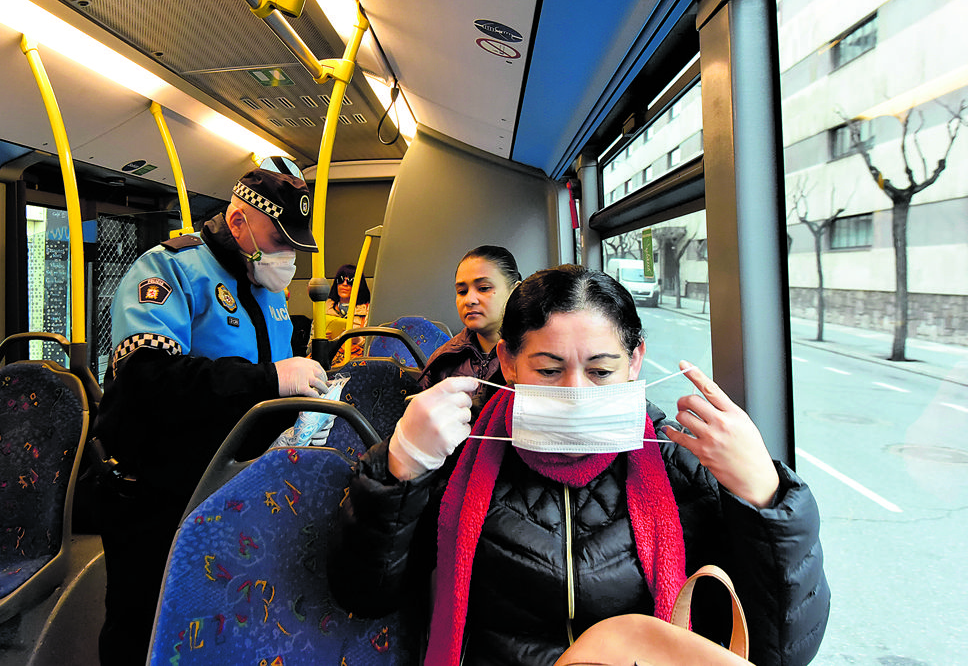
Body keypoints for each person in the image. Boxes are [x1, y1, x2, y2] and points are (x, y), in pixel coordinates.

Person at [329, 265, 830, 666]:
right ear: (508, 362)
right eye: (549, 370)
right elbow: (365, 594)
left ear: (635, 362)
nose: (575, 393)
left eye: (601, 371)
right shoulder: (456, 453)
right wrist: (400, 469)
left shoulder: (687, 463)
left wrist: (765, 496)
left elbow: (782, 650)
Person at [92, 168, 330, 665]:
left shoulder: (266, 285)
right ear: (239, 221)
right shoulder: (170, 271)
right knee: (144, 623)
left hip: (241, 485)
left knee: (220, 617)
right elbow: (147, 378)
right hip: (162, 490)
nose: (288, 257)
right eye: (277, 241)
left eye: (294, 247)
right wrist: (268, 380)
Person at [417, 245, 521, 417]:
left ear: (515, 290)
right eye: (462, 292)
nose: (470, 300)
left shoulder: (535, 355)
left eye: (484, 288)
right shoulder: (444, 360)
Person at [318, 263, 371, 367]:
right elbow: (309, 349)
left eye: (350, 281)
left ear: (359, 285)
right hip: (327, 364)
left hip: (354, 364)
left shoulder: (368, 311)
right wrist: (322, 341)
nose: (345, 284)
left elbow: (374, 348)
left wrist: (358, 341)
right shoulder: (323, 309)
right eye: (340, 280)